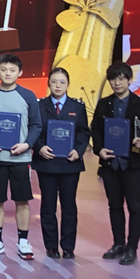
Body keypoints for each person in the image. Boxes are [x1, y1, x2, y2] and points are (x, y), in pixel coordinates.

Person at [91, 61, 140, 265]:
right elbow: (96, 130)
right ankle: (118, 244)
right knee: (114, 206)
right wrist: (99, 149)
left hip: (133, 164)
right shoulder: (104, 104)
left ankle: (132, 247)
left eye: (121, 78)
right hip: (110, 164)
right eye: (113, 79)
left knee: (135, 207)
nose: (117, 83)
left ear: (129, 80)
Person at [0, 53, 42, 260]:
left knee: (22, 200)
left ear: (20, 72)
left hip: (21, 159)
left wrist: (27, 145)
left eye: (12, 70)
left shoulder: (28, 96)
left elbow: (36, 125)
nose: (8, 73)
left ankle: (23, 241)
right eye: (4, 70)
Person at [33, 67, 91, 259]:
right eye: (54, 81)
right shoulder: (39, 106)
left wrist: (79, 151)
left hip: (69, 163)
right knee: (48, 206)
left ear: (68, 84)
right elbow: (33, 130)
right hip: (46, 163)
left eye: (62, 82)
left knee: (69, 206)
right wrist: (39, 147)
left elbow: (84, 132)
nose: (58, 85)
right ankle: (51, 246)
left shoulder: (78, 106)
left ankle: (68, 247)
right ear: (48, 83)